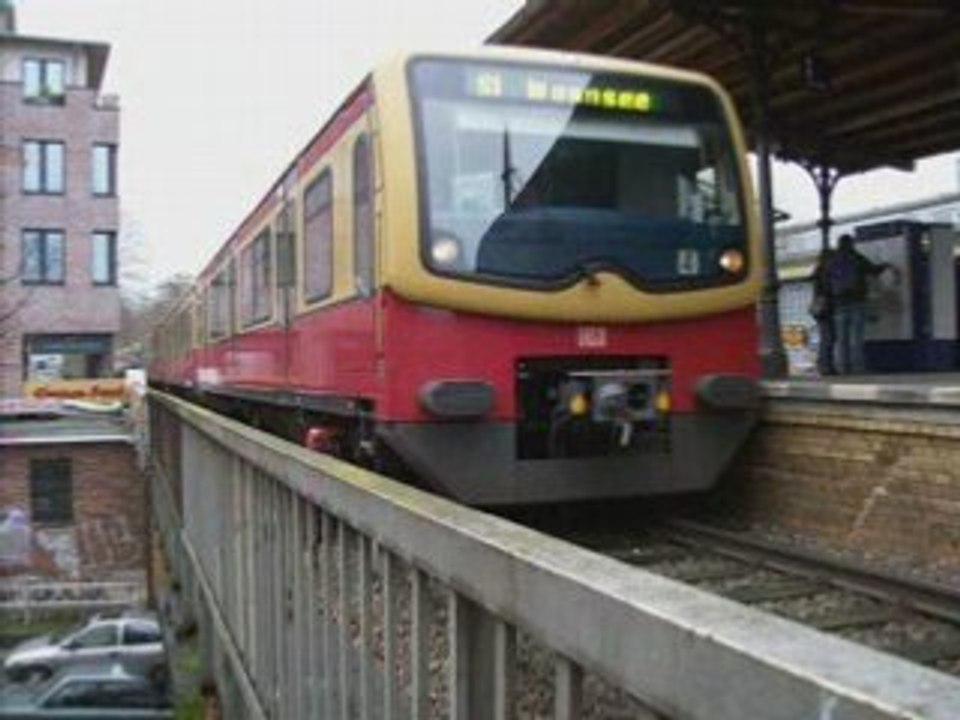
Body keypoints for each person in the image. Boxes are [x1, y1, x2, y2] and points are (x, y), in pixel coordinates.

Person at [825, 234, 894, 375]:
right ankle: (857, 369)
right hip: (857, 302)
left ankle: (843, 368)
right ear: (851, 244)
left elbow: (826, 282)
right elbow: (873, 270)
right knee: (855, 338)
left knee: (841, 339)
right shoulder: (856, 258)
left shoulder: (831, 261)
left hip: (839, 305)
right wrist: (887, 265)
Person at [809, 248, 836, 376]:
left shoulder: (819, 270)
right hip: (824, 309)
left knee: (827, 337)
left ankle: (825, 365)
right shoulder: (824, 272)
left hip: (820, 309)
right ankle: (825, 367)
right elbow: (827, 291)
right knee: (828, 338)